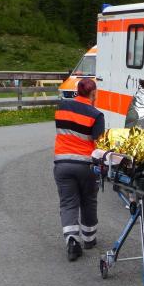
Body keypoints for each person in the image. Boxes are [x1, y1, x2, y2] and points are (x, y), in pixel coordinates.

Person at [53, 78, 105, 261]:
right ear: (93, 94)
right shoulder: (96, 115)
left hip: (62, 164)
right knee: (88, 201)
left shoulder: (61, 108)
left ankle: (72, 241)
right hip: (86, 166)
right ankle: (89, 239)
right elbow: (99, 144)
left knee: (68, 203)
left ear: (77, 91)